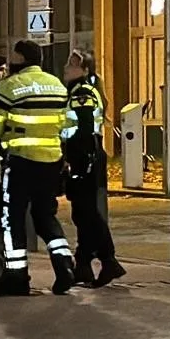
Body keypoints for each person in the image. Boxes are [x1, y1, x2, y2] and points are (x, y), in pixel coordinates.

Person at [0, 40, 77, 295]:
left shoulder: (10, 86)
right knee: (46, 216)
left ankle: (17, 275)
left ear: (21, 59)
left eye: (13, 57)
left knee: (12, 218)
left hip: (21, 161)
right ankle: (64, 263)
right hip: (50, 161)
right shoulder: (56, 85)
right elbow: (66, 125)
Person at [63, 48, 126, 287]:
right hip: (87, 156)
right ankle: (84, 264)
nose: (66, 69)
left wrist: (78, 160)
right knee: (83, 213)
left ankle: (108, 260)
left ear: (85, 70)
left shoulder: (82, 93)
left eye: (72, 65)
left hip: (84, 157)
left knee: (87, 212)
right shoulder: (80, 91)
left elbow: (85, 128)